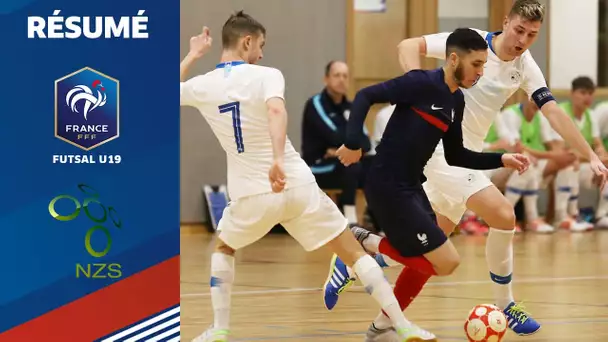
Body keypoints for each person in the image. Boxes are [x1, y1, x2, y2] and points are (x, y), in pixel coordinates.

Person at [324, 0, 608, 338]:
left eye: (532, 35)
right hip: (440, 153)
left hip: (464, 157)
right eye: (519, 30)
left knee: (428, 254)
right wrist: (419, 83)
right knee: (503, 214)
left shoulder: (525, 66)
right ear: (506, 22)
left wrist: (589, 153)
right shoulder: (472, 42)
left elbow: (554, 113)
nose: (522, 39)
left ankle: (376, 310)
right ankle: (505, 304)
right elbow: (408, 45)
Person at [180, 12, 434, 342]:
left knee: (224, 247)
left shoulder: (202, 86)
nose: (261, 54)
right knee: (353, 254)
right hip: (297, 184)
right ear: (246, 42)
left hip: (250, 195)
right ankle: (402, 325)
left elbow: (159, 94)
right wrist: (276, 159)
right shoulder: (267, 75)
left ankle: (219, 329)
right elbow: (275, 110)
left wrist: (192, 55)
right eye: (260, 45)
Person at [325, 27, 530, 341]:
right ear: (452, 59)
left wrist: (501, 159)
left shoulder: (456, 101)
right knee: (444, 263)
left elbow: (458, 154)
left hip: (412, 187)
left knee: (434, 263)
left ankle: (382, 322)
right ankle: (362, 243)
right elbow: (366, 96)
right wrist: (355, 142)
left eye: (483, 65)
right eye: (476, 64)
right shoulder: (420, 82)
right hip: (387, 184)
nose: (480, 72)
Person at [301, 61, 371, 224]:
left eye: (345, 76)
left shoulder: (352, 107)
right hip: (319, 166)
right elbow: (333, 136)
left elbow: (366, 143)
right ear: (326, 79)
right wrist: (350, 145)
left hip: (342, 162)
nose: (341, 80)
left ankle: (379, 220)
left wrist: (340, 149)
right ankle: (350, 218)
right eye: (337, 75)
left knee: (377, 164)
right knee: (351, 164)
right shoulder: (316, 104)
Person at [497, 99, 580, 233]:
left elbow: (552, 146)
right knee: (527, 165)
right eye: (535, 97)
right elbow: (517, 149)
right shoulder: (510, 115)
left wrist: (567, 155)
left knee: (568, 165)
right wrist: (555, 156)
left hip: (530, 162)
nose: (539, 102)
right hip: (504, 163)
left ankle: (563, 217)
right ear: (525, 95)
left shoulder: (540, 116)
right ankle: (506, 218)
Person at [548, 76, 606, 230]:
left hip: (584, 165)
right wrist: (592, 158)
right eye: (582, 92)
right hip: (562, 166)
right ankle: (562, 217)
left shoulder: (590, 115)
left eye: (590, 93)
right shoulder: (560, 112)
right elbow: (562, 151)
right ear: (572, 93)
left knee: (605, 169)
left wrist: (601, 158)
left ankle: (601, 215)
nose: (587, 97)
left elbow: (598, 145)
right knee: (568, 166)